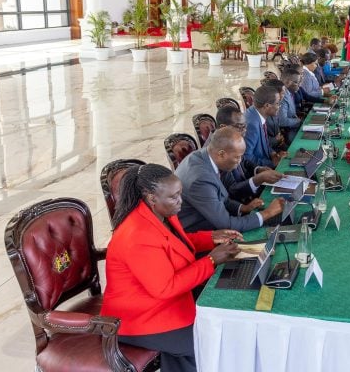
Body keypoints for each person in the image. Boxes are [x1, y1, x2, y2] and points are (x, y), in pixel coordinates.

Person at [101, 163, 241, 372]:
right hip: (140, 317)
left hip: (164, 303)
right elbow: (165, 288)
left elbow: (177, 244)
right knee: (207, 343)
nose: (181, 202)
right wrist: (211, 260)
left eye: (180, 194)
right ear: (151, 197)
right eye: (174, 197)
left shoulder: (161, 213)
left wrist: (212, 237)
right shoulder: (138, 235)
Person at [177, 127, 285, 233]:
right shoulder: (201, 179)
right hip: (204, 233)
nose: (239, 162)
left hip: (215, 219)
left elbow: (221, 198)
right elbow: (228, 225)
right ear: (222, 154)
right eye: (237, 157)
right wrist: (268, 213)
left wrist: (243, 208)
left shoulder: (205, 156)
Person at [215, 105, 284, 203]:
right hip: (237, 203)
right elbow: (232, 191)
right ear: (223, 127)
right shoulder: (218, 151)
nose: (245, 131)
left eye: (245, 126)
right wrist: (258, 179)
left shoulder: (231, 139)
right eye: (240, 127)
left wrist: (258, 169)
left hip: (247, 189)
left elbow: (244, 161)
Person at [243, 84, 287, 167]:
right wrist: (272, 164)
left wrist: (273, 154)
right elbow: (246, 157)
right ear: (267, 106)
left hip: (267, 157)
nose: (279, 106)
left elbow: (265, 143)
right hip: (259, 169)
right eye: (277, 103)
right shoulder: (252, 124)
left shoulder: (257, 113)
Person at [276, 68, 304, 144]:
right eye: (297, 82)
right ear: (288, 82)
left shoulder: (289, 93)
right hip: (288, 131)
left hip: (293, 126)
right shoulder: (282, 97)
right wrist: (298, 120)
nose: (299, 85)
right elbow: (282, 121)